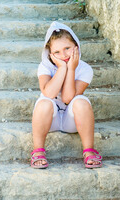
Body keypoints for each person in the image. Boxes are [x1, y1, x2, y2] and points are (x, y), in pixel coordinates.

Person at [30, 21, 102, 169]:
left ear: (76, 46)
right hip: (50, 120)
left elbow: (68, 98)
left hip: (72, 121)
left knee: (81, 101)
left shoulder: (85, 69)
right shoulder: (45, 66)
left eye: (67, 48)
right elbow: (49, 93)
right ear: (50, 54)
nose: (63, 55)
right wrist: (62, 68)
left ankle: (89, 150)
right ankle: (38, 151)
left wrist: (71, 69)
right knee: (44, 102)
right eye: (57, 52)